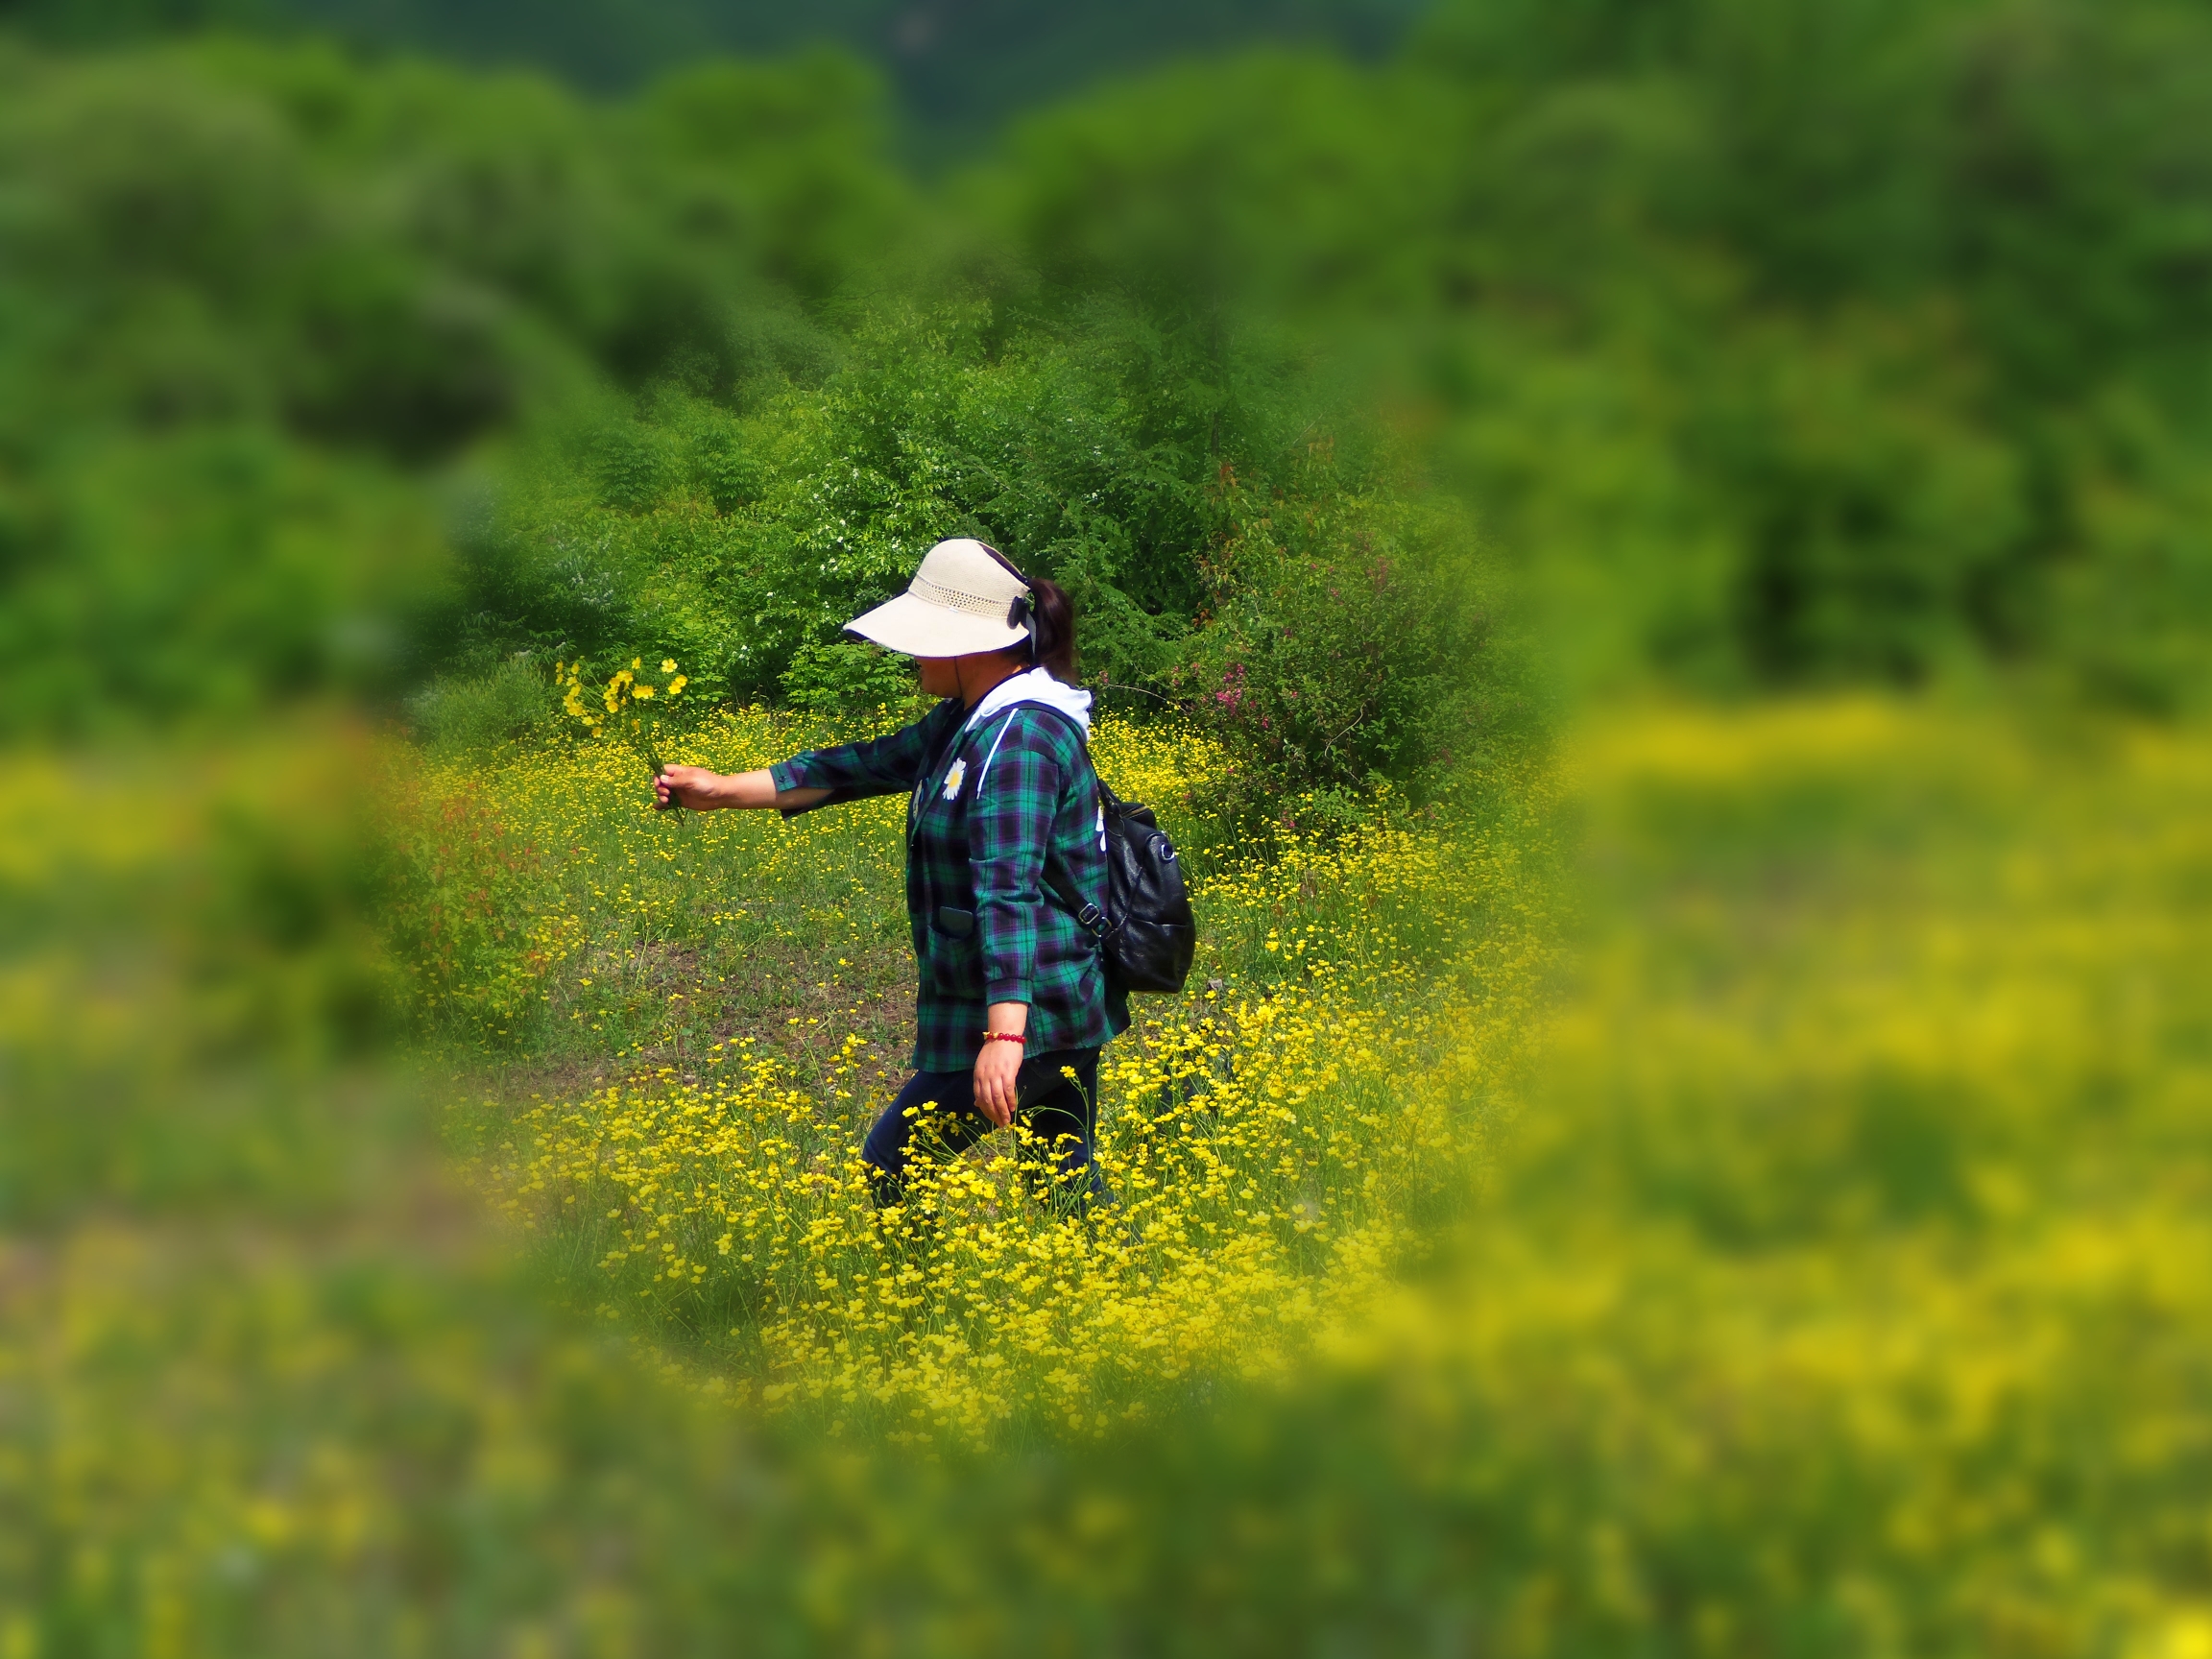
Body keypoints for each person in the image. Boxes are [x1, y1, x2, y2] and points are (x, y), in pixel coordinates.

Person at [655, 538, 1124, 1210]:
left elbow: (1008, 893)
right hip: (1049, 999)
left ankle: (921, 1308)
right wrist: (721, 789)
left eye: (922, 639)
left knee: (893, 1165)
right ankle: (1109, 1297)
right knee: (1062, 1180)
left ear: (968, 645)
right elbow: (858, 766)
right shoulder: (969, 721)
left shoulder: (1018, 739)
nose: (909, 655)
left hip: (1035, 1011)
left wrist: (1004, 1038)